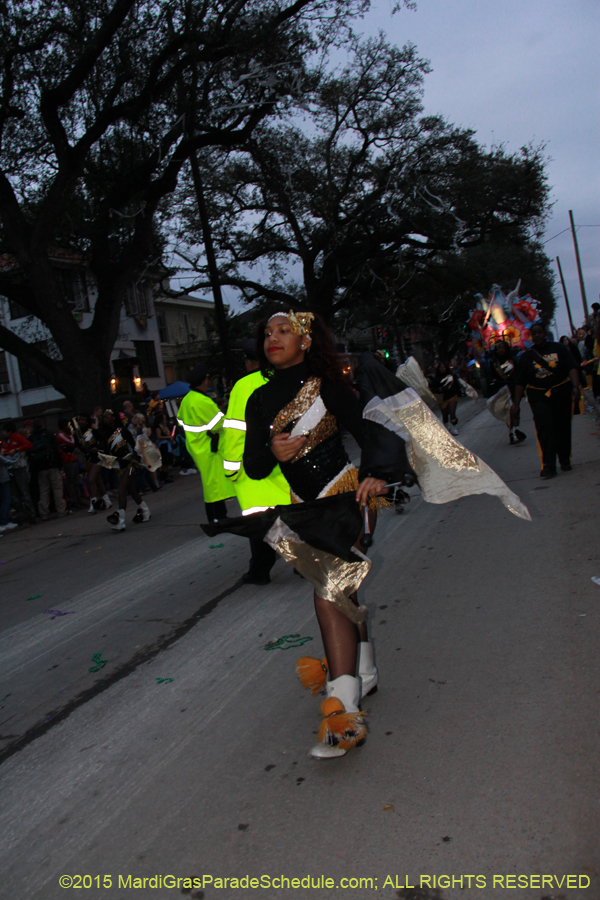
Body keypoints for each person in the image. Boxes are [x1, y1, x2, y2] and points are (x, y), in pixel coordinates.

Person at [242, 310, 388, 758]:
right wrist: (273, 450)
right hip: (304, 507)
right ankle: (364, 671)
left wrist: (376, 473)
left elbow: (371, 430)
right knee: (343, 590)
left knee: (329, 591)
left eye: (284, 331)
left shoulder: (327, 386)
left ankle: (343, 713)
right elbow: (254, 467)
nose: (273, 338)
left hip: (346, 496)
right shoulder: (258, 398)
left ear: (305, 341)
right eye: (268, 332)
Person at [221, 338, 291, 585]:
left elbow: (234, 432)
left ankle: (260, 572)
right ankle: (305, 565)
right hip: (287, 464)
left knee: (260, 524)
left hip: (254, 470)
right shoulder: (287, 377)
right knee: (295, 517)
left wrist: (231, 470)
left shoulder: (243, 386)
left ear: (250, 362)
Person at [511, 322, 579, 478]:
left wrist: (575, 386)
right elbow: (520, 381)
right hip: (538, 396)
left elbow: (572, 367)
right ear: (530, 336)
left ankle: (565, 460)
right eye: (534, 333)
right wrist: (516, 404)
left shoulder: (559, 349)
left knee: (562, 426)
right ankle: (549, 465)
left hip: (561, 392)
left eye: (540, 332)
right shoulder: (526, 357)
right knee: (544, 428)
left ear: (545, 333)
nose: (537, 335)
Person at [176, 364, 234, 522]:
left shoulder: (187, 400)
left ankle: (217, 516)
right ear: (204, 381)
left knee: (210, 483)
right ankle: (218, 518)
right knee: (214, 483)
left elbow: (180, 420)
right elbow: (220, 424)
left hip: (196, 445)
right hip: (209, 445)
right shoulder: (203, 401)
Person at [97, 409, 151, 531]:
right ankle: (145, 511)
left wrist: (136, 458)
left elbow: (134, 445)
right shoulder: (104, 434)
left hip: (129, 463)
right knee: (132, 490)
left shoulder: (122, 431)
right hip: (118, 465)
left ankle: (120, 521)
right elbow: (104, 452)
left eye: (107, 416)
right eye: (103, 417)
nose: (105, 419)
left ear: (113, 417)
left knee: (121, 490)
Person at [487, 341, 526, 444]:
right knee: (508, 410)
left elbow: (518, 372)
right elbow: (491, 375)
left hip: (513, 387)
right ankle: (512, 431)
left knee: (515, 409)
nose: (501, 350)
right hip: (502, 389)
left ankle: (515, 429)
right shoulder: (493, 362)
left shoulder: (513, 360)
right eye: (499, 348)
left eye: (503, 348)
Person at [29, 419, 67, 519]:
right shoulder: (49, 434)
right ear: (42, 425)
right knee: (57, 488)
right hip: (52, 464)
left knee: (44, 490)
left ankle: (44, 513)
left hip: (40, 467)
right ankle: (61, 510)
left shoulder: (31, 438)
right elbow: (56, 450)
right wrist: (59, 463)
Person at [1, 421, 36, 524]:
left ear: (9, 431)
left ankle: (31, 515)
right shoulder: (6, 441)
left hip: (19, 468)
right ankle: (22, 516)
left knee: (24, 492)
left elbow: (29, 445)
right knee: (15, 495)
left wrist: (17, 450)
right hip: (10, 469)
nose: (3, 433)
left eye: (4, 431)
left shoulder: (17, 438)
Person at [428, 361, 461, 434]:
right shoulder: (436, 379)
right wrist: (438, 390)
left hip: (452, 396)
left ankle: (454, 427)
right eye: (441, 368)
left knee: (452, 413)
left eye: (443, 367)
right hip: (442, 399)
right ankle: (447, 426)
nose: (442, 369)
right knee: (445, 415)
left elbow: (457, 386)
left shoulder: (451, 376)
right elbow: (432, 389)